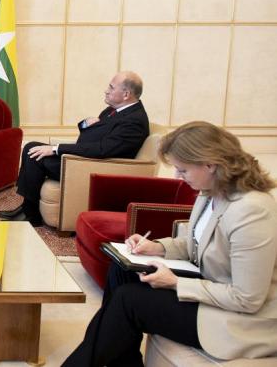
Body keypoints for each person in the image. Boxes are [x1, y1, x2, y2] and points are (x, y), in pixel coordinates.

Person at [64, 121, 277, 365]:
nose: (177, 177)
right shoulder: (210, 193)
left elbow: (247, 298)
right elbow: (197, 243)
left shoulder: (252, 211)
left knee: (128, 300)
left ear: (210, 164)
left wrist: (176, 283)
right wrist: (157, 247)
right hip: (212, 287)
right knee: (121, 271)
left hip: (241, 317)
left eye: (182, 170)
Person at [0, 71, 149, 226]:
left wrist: (56, 149)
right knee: (32, 147)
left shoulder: (134, 121)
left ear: (126, 94)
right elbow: (90, 133)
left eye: (111, 88)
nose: (106, 90)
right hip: (82, 159)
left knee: (36, 157)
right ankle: (27, 207)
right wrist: (86, 123)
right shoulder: (113, 110)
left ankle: (30, 213)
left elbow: (102, 149)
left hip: (90, 167)